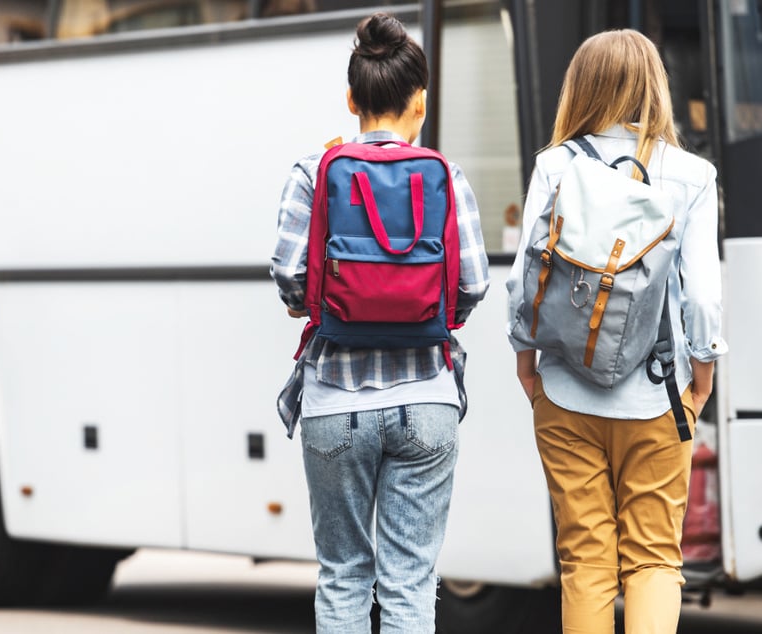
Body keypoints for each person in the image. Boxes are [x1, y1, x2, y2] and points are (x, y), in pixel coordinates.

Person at [271, 13, 489, 633]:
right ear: (421, 100)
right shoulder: (446, 176)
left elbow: (290, 281)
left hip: (335, 400)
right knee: (410, 581)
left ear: (351, 100)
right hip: (426, 398)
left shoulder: (314, 173)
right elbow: (470, 285)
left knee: (342, 575)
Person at [506, 30, 728, 634]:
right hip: (658, 395)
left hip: (562, 393)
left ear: (581, 88)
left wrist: (527, 364)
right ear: (655, 86)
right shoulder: (691, 175)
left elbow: (525, 280)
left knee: (585, 560)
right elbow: (704, 297)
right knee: (654, 557)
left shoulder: (554, 167)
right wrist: (701, 375)